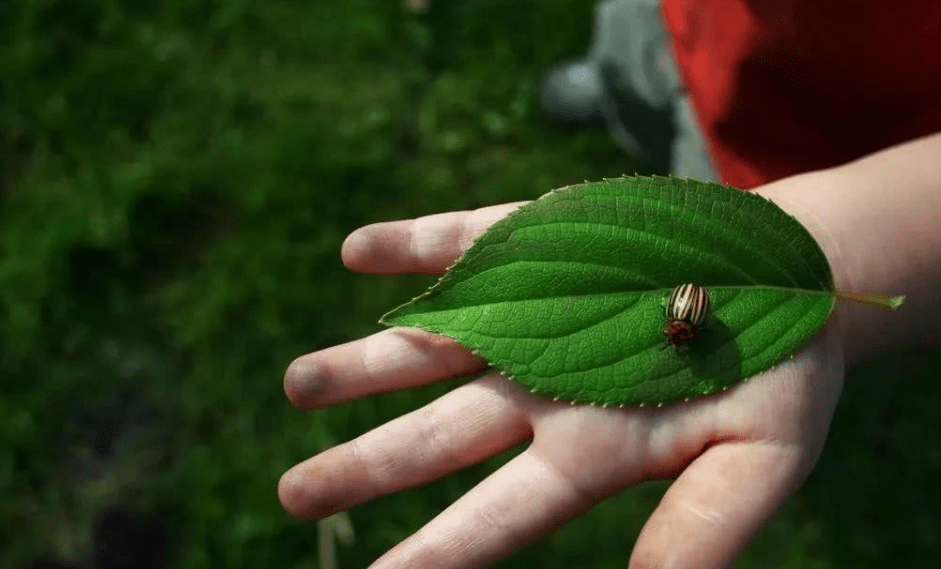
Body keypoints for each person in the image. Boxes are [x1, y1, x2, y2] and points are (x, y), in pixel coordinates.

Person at [278, 2, 941, 568]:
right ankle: (618, 86)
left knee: (684, 149)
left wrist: (851, 248)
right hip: (682, 22)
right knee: (637, 68)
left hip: (825, 147)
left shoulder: (697, 308)